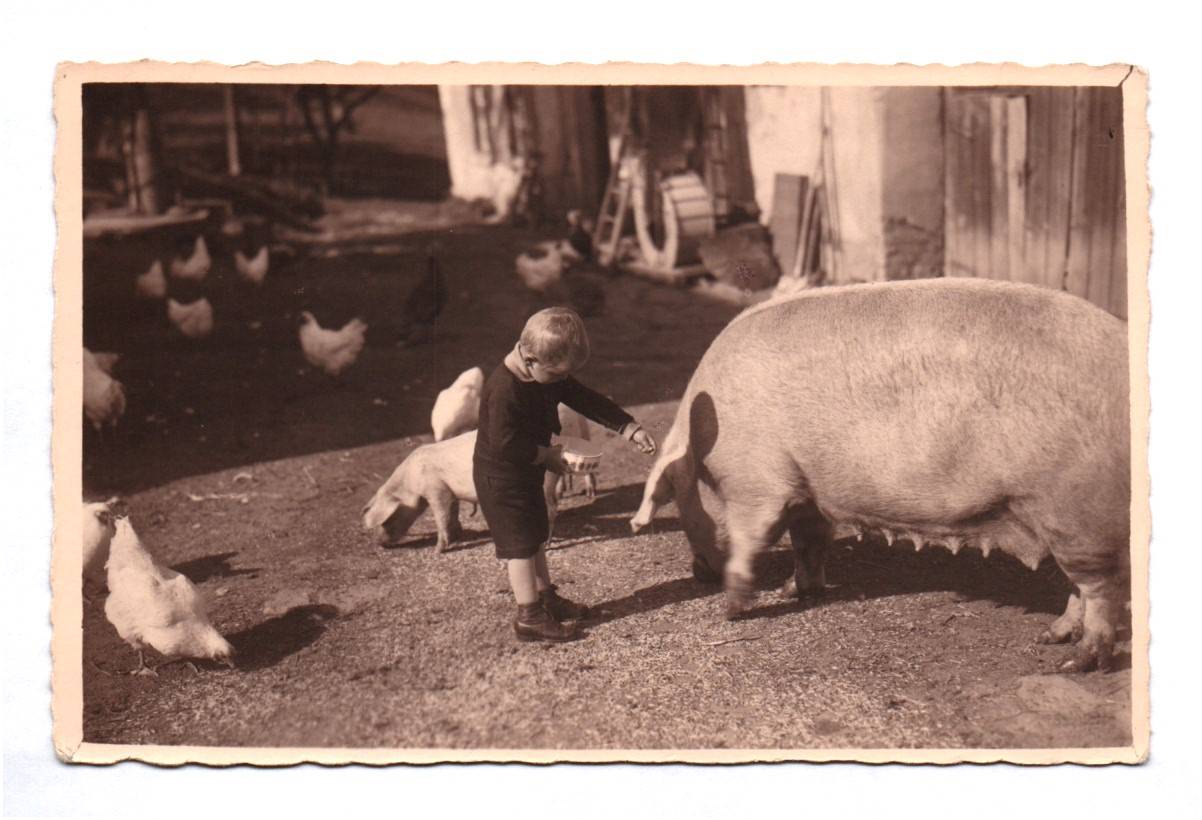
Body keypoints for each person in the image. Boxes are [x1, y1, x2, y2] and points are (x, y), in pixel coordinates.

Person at [474, 307, 657, 642]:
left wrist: (627, 426)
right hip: (500, 478)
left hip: (525, 471)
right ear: (529, 358)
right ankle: (528, 615)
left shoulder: (545, 374)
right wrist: (548, 455)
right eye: (557, 375)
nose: (562, 382)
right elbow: (505, 445)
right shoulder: (505, 390)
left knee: (536, 535)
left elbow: (585, 398)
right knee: (519, 546)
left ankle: (546, 599)